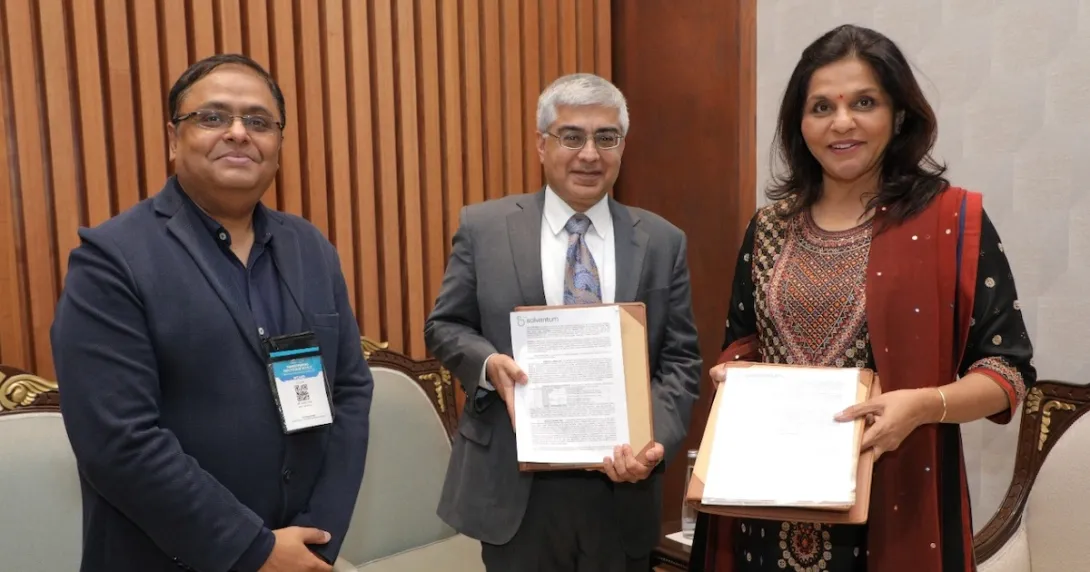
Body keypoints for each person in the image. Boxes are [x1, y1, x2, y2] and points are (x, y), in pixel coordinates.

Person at [688, 24, 1035, 572]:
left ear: (898, 116)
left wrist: (923, 405)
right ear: (799, 124)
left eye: (864, 103)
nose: (842, 122)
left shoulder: (951, 223)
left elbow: (1007, 372)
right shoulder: (768, 226)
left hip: (893, 507)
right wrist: (733, 373)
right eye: (821, 107)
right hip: (763, 510)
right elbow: (743, 343)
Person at [51, 54, 373, 572]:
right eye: (213, 117)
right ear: (174, 139)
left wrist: (318, 536)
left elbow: (351, 391)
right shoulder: (111, 261)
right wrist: (255, 551)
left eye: (259, 122)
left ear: (278, 146)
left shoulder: (311, 249)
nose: (239, 133)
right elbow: (118, 441)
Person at [425, 72, 703, 572]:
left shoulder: (663, 241)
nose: (589, 154)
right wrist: (488, 365)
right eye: (571, 136)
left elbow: (680, 360)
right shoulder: (484, 228)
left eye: (606, 137)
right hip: (516, 488)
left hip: (622, 487)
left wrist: (653, 441)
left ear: (622, 146)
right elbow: (445, 327)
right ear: (541, 144)